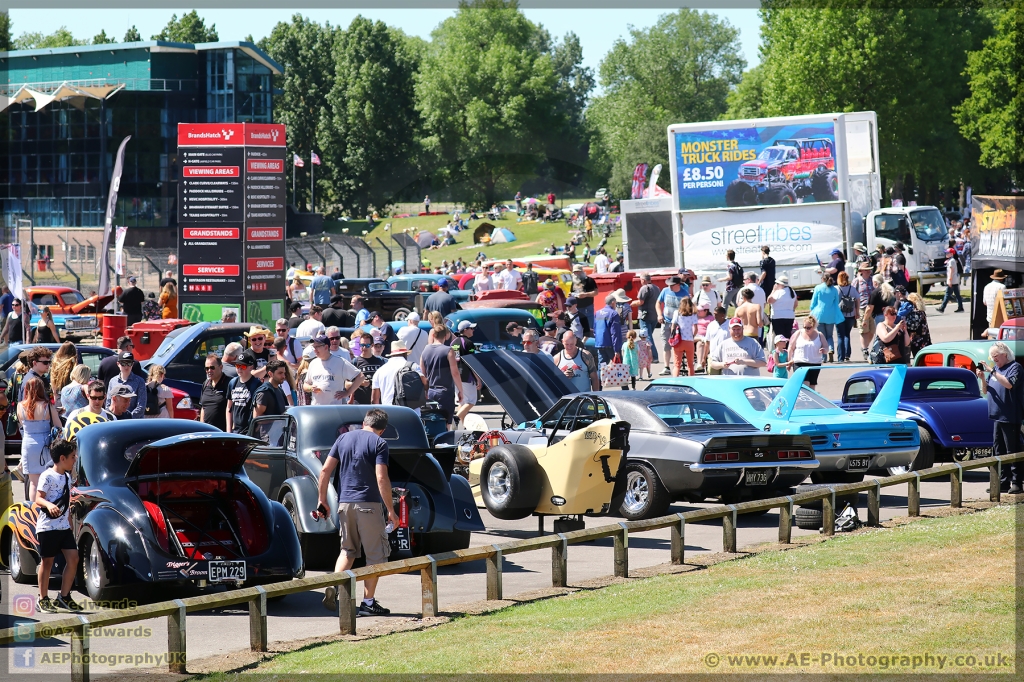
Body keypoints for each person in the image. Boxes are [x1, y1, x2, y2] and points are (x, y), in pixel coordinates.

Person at [318, 408, 398, 617]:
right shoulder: (379, 443)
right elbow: (381, 478)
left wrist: (322, 501)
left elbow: (325, 470)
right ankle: (368, 603)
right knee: (375, 556)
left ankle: (335, 587)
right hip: (368, 505)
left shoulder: (343, 438)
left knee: (347, 551)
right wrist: (391, 510)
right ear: (382, 430)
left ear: (365, 422)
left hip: (344, 504)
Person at [33, 438, 82, 613]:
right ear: (62, 458)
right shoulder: (47, 475)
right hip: (48, 527)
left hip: (63, 527)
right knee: (47, 562)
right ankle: (42, 598)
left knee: (74, 558)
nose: (74, 460)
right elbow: (38, 498)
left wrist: (69, 520)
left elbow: (67, 501)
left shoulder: (67, 477)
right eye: (72, 457)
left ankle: (64, 596)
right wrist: (49, 504)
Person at [976, 342, 1023, 494]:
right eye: (992, 357)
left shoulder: (1015, 367)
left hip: (1010, 416)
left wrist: (992, 370)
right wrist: (983, 377)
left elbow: (1009, 384)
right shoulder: (996, 369)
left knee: (1013, 450)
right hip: (996, 416)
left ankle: (1016, 482)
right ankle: (1002, 482)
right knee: (999, 450)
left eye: (996, 356)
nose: (994, 359)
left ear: (1004, 354)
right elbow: (985, 389)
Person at [19, 376, 62, 503]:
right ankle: (46, 506)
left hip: (28, 444)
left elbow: (22, 424)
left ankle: (34, 511)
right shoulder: (47, 406)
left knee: (33, 482)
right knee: (46, 480)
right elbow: (58, 426)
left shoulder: (21, 406)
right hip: (44, 445)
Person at [420, 324, 463, 427]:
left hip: (430, 392)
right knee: (446, 423)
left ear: (433, 335)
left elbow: (422, 373)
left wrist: (424, 391)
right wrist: (461, 390)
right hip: (445, 392)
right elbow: (455, 373)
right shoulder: (448, 350)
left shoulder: (425, 350)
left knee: (431, 422)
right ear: (446, 335)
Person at [304, 334, 364, 406]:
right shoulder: (313, 363)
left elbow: (360, 377)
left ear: (326, 347)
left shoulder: (340, 362)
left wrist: (348, 393)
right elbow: (305, 385)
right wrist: (311, 388)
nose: (314, 350)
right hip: (317, 409)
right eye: (314, 347)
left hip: (335, 409)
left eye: (317, 347)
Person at [372, 341, 426, 410]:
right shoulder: (413, 366)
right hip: (411, 413)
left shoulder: (379, 371)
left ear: (391, 354)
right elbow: (425, 383)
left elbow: (374, 400)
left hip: (388, 413)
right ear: (405, 354)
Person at [226, 350, 264, 434]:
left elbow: (259, 410)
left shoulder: (257, 384)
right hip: (235, 431)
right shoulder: (232, 383)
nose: (239, 369)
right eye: (237, 365)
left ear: (251, 367)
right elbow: (229, 408)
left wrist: (254, 430)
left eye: (243, 366)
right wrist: (229, 430)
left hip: (250, 430)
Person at [452, 321, 482, 424]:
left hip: (455, 375)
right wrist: (478, 379)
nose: (473, 330)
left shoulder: (454, 342)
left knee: (462, 402)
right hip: (466, 376)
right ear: (465, 330)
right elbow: (471, 363)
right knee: (471, 401)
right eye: (471, 328)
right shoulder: (469, 343)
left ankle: (462, 426)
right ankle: (456, 418)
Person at [787, 316, 829, 389]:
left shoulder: (819, 335)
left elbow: (826, 347)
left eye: (809, 328)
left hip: (815, 363)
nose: (806, 329)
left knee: (812, 387)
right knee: (805, 384)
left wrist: (824, 350)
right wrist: (789, 361)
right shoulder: (798, 333)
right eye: (805, 327)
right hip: (800, 363)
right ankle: (803, 400)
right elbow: (791, 347)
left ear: (814, 326)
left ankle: (809, 400)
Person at [809, 274, 843, 363]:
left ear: (823, 279)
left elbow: (813, 302)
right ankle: (831, 349)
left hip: (819, 314)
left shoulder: (818, 288)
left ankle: (824, 357)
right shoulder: (834, 289)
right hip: (830, 314)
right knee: (829, 335)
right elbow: (837, 301)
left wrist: (811, 310)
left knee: (821, 336)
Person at [656, 277, 686, 376]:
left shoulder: (684, 294)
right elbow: (658, 303)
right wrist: (660, 314)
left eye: (672, 285)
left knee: (677, 345)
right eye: (669, 284)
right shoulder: (665, 291)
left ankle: (677, 366)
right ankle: (666, 366)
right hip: (666, 322)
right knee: (665, 345)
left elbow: (689, 308)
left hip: (678, 324)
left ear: (678, 284)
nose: (670, 287)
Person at [630, 274, 661, 365]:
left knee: (647, 337)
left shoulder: (644, 288)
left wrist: (632, 303)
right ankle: (650, 355)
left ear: (643, 280)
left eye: (640, 280)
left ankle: (654, 356)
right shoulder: (656, 288)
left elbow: (641, 302)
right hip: (654, 315)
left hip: (645, 315)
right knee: (649, 335)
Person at [107, 351, 147, 419]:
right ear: (118, 364)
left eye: (129, 363)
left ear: (132, 364)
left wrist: (128, 418)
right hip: (114, 420)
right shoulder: (112, 381)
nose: (126, 366)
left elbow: (141, 406)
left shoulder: (139, 381)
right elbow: (108, 403)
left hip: (133, 422)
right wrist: (111, 417)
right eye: (123, 363)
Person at [352, 333, 387, 405]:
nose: (364, 348)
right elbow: (346, 384)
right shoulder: (355, 362)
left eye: (367, 345)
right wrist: (361, 383)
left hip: (377, 402)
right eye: (362, 345)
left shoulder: (380, 362)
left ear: (372, 345)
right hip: (359, 402)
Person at [199, 353, 230, 431]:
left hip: (222, 432)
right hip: (207, 432)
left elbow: (232, 409)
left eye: (212, 368)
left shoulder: (229, 383)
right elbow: (203, 407)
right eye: (207, 368)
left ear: (221, 367)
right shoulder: (206, 383)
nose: (209, 371)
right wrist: (202, 428)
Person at [670, 297, 698, 377]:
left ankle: (675, 382)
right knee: (690, 364)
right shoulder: (693, 314)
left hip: (679, 340)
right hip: (689, 341)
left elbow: (673, 326)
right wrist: (692, 336)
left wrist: (673, 336)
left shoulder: (677, 313)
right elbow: (696, 329)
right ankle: (691, 381)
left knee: (677, 364)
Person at [854, 263, 877, 360]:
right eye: (866, 269)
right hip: (862, 308)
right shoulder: (857, 281)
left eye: (869, 269)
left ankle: (866, 347)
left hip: (873, 308)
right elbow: (853, 295)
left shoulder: (873, 280)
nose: (868, 271)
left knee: (872, 330)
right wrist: (855, 310)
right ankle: (865, 349)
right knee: (864, 331)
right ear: (861, 271)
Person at [594, 295, 623, 365]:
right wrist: (616, 350)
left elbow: (595, 329)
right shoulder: (614, 314)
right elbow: (615, 333)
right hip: (611, 345)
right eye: (616, 303)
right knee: (618, 366)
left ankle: (601, 376)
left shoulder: (597, 313)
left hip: (600, 343)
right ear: (613, 302)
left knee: (602, 366)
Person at [836, 271, 858, 363]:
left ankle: (841, 357)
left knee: (840, 335)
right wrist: (856, 311)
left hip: (839, 315)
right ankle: (847, 355)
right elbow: (858, 299)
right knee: (847, 334)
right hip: (850, 314)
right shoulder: (852, 289)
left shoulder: (836, 289)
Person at [935, 247, 965, 313]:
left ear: (951, 254)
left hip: (952, 280)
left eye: (948, 253)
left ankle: (942, 308)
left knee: (947, 294)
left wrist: (949, 280)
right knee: (957, 295)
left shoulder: (951, 261)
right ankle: (960, 307)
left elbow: (951, 271)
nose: (946, 254)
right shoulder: (952, 260)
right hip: (954, 280)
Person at [766, 276, 796, 340]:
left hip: (778, 316)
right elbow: (795, 304)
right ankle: (787, 348)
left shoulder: (778, 292)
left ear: (780, 284)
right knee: (787, 335)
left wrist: (773, 291)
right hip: (789, 316)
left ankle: (781, 349)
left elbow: (769, 300)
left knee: (780, 337)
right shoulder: (792, 292)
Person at [570, 263, 598, 331]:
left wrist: (585, 294)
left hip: (587, 307)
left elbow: (596, 292)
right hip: (577, 307)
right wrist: (571, 295)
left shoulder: (589, 280)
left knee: (589, 326)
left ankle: (590, 339)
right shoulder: (574, 282)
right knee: (579, 326)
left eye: (578, 271)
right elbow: (572, 292)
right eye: (575, 272)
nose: (576, 273)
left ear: (582, 271)